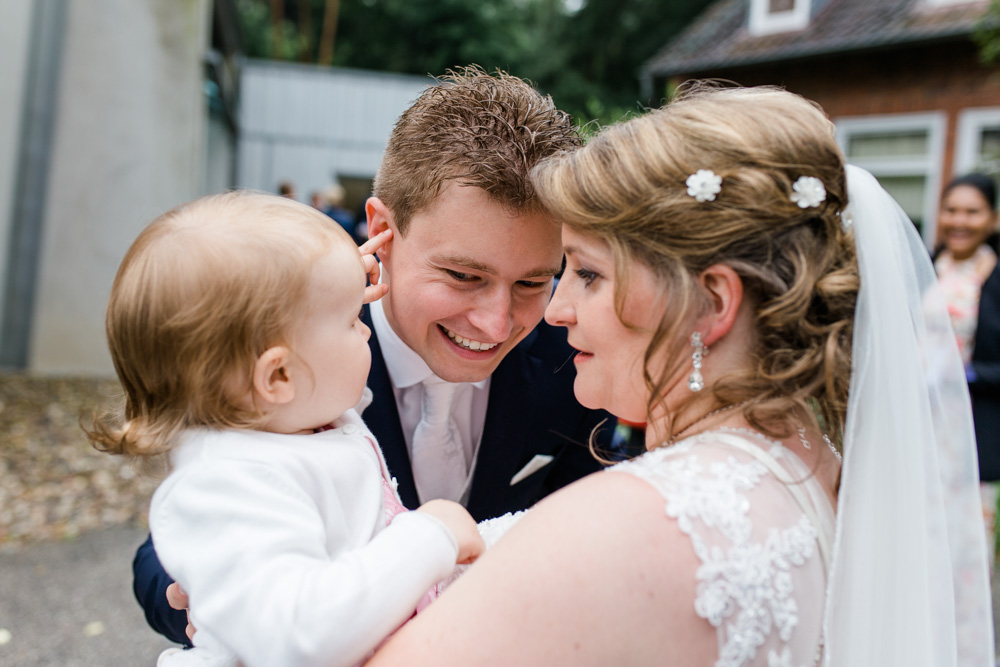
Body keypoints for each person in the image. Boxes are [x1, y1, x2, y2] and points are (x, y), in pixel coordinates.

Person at [367, 86, 993, 666]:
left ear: (713, 303)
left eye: (583, 274)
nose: (553, 312)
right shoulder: (828, 474)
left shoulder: (636, 522)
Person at [132, 65, 614, 646]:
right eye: (463, 275)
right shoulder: (284, 355)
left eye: (534, 282)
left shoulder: (577, 367)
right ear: (382, 230)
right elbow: (173, 535)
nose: (496, 321)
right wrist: (197, 594)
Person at [88, 191, 485, 667]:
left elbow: (329, 383)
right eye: (351, 320)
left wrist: (327, 290)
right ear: (278, 376)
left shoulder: (293, 418)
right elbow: (303, 635)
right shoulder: (227, 485)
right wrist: (429, 536)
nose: (366, 329)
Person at [933, 174, 1000, 568]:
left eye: (972, 212)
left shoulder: (994, 276)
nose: (959, 220)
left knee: (962, 545)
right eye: (951, 210)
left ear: (992, 218)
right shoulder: (924, 266)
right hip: (921, 420)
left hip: (970, 430)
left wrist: (965, 374)